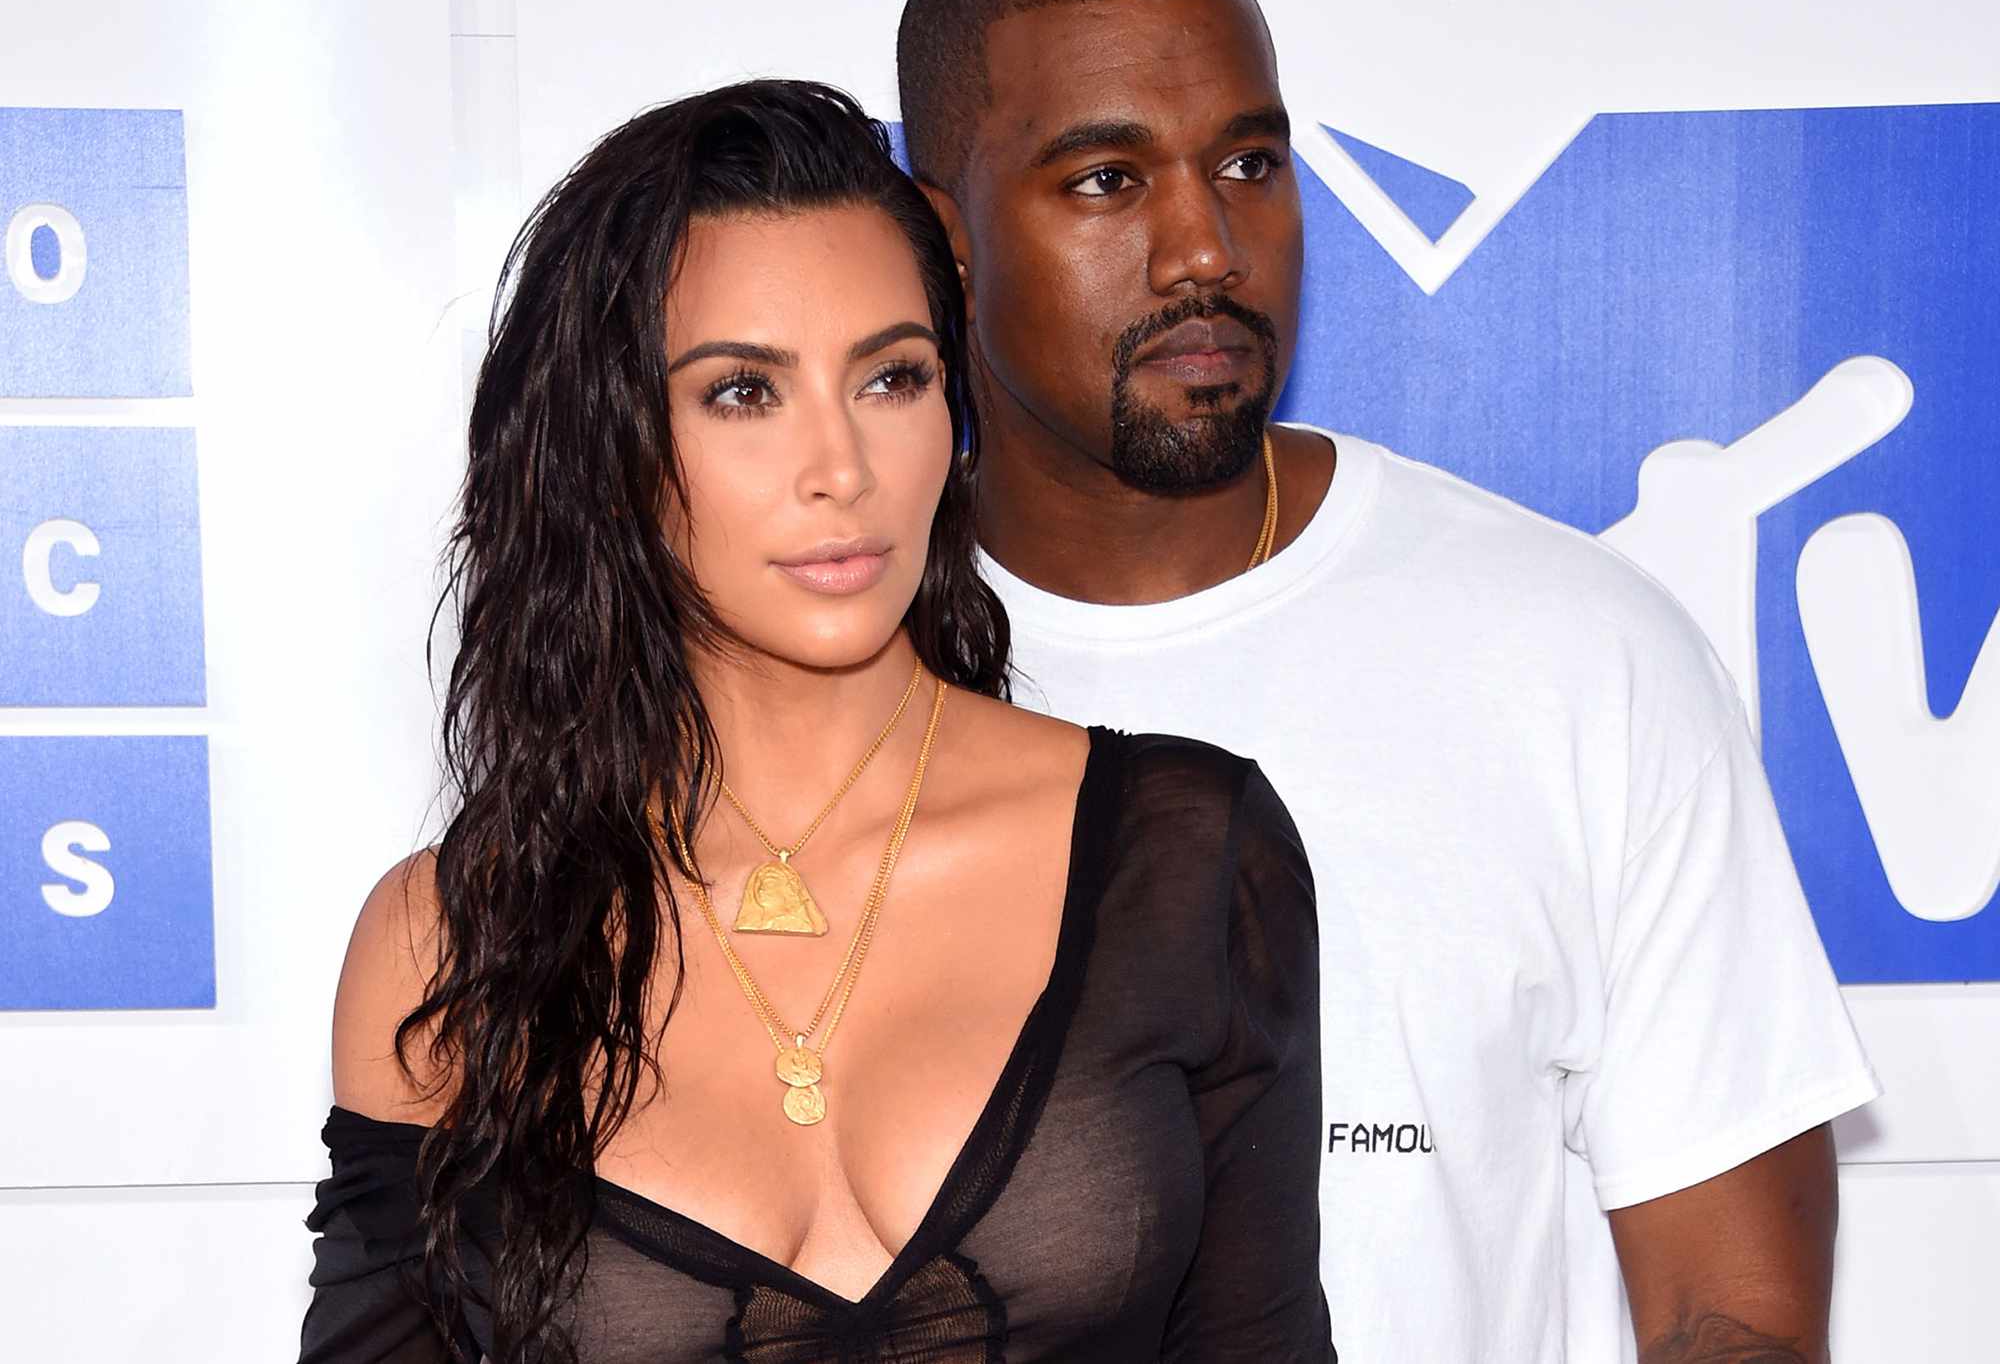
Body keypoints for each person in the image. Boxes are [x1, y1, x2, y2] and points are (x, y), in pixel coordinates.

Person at [895, 0, 1880, 1364]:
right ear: (943, 239)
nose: (1205, 249)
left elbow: (1731, 1308)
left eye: (1250, 163)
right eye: (1105, 179)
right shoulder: (817, 681)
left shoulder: (1577, 652)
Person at [299, 81, 1334, 1363]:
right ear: (606, 446)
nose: (840, 468)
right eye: (743, 392)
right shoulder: (447, 939)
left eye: (891, 377)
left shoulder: (1180, 855)